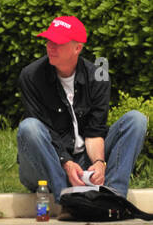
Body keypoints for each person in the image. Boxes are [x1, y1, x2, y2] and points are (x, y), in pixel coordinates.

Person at [16, 15, 148, 200]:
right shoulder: (31, 76)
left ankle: (113, 198)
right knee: (29, 127)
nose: (50, 47)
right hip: (46, 165)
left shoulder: (98, 77)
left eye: (58, 42)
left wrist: (99, 163)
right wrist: (67, 163)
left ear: (77, 48)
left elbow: (95, 132)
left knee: (136, 120)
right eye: (49, 40)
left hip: (83, 163)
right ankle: (66, 200)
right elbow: (43, 132)